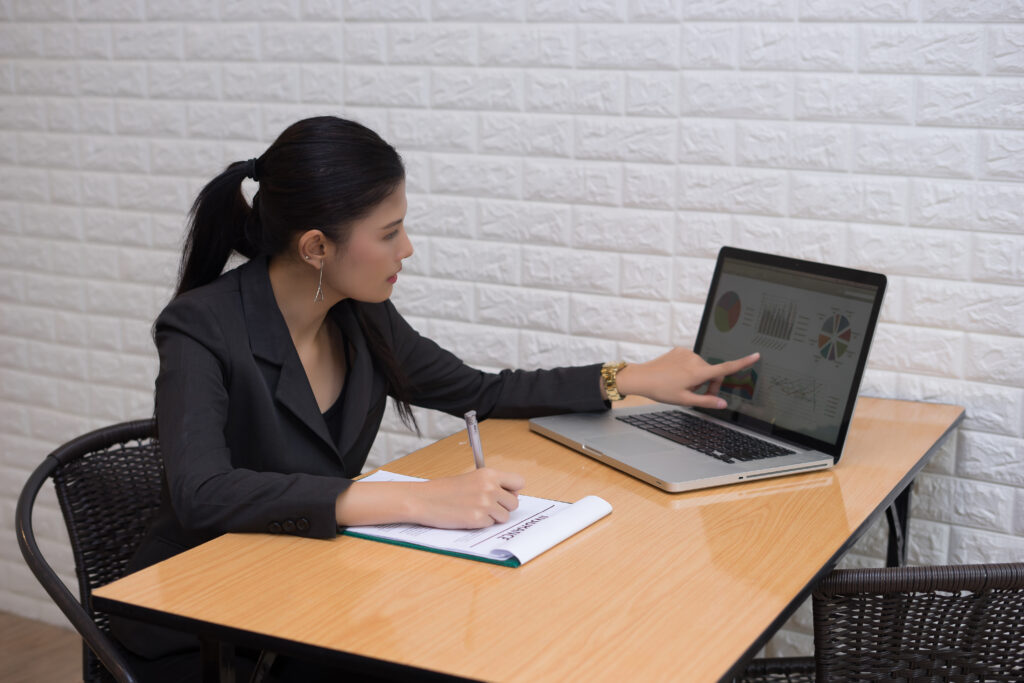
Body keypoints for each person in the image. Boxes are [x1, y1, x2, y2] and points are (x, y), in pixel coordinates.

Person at [113, 116, 758, 677]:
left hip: (309, 598)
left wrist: (630, 377)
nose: (408, 248)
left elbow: (479, 391)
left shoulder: (358, 313)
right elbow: (203, 494)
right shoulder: (201, 328)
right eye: (389, 233)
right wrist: (419, 501)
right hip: (209, 635)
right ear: (316, 247)